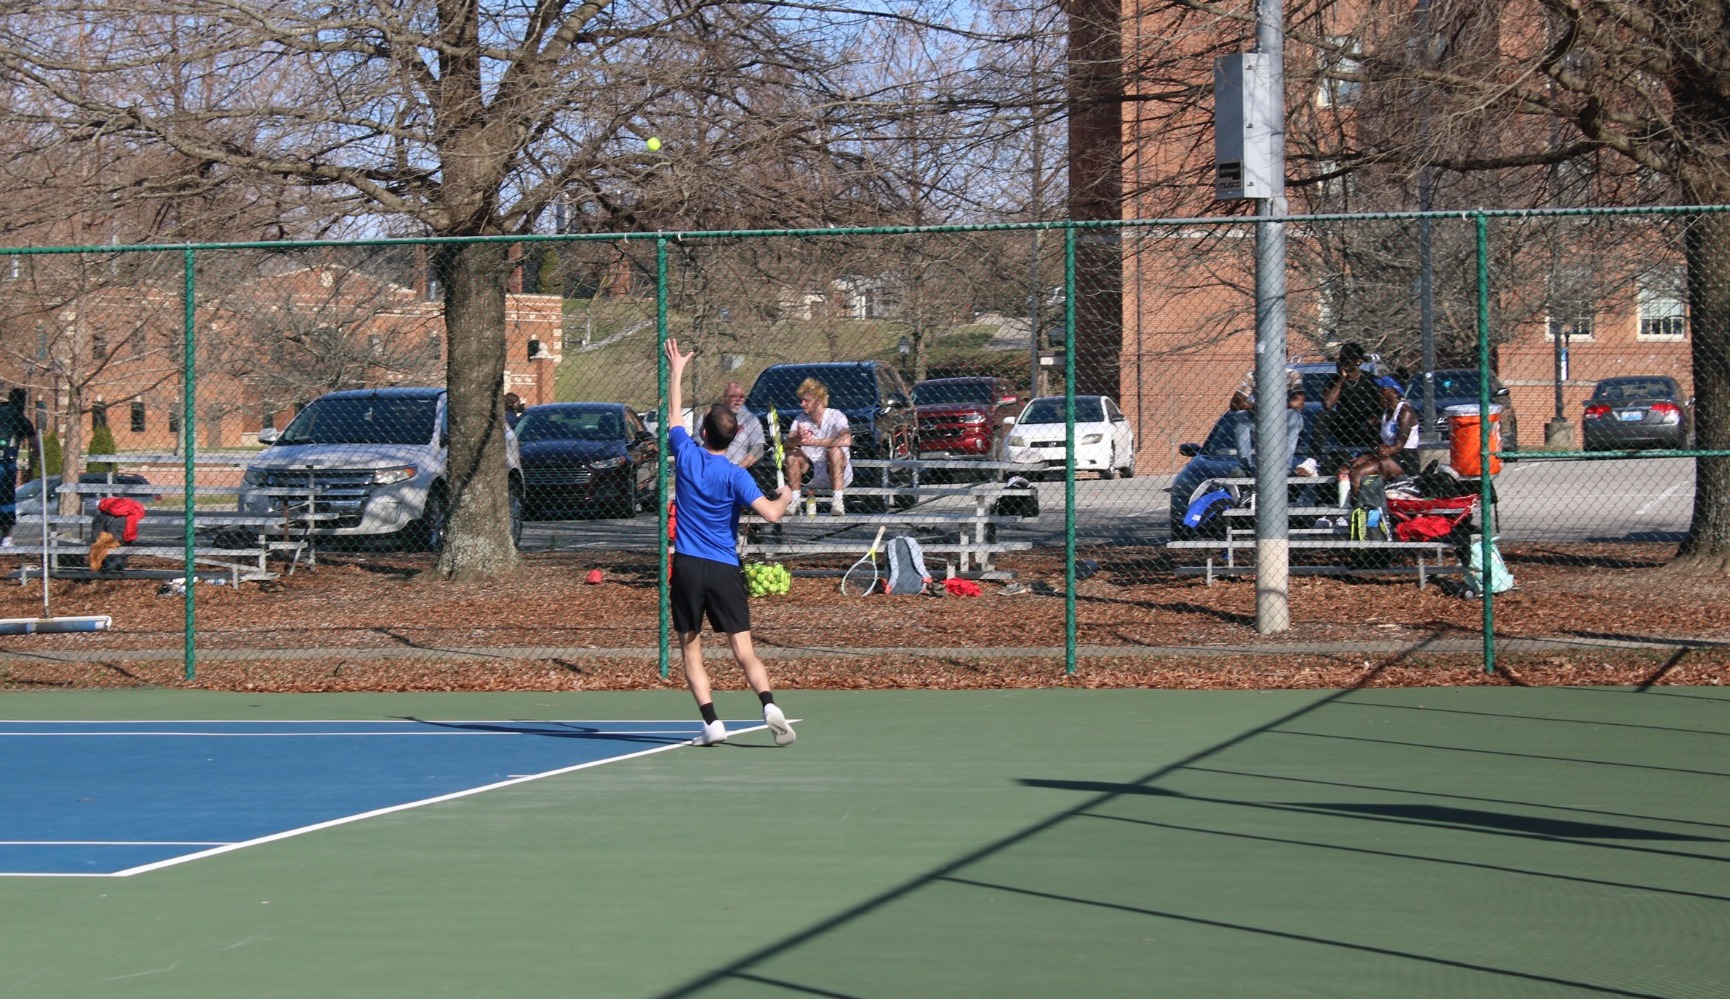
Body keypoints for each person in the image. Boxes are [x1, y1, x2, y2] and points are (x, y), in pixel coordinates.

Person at [663, 338, 797, 748]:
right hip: (724, 568)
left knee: (691, 649)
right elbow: (772, 514)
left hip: (687, 566)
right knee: (744, 650)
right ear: (734, 435)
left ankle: (711, 723)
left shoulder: (686, 454)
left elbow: (672, 415)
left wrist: (677, 369)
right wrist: (788, 492)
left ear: (703, 432)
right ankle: (769, 706)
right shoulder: (737, 475)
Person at [783, 377, 852, 515]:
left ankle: (838, 502)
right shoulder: (800, 419)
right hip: (810, 470)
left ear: (818, 400)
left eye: (806, 400)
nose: (802, 404)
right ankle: (795, 501)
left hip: (836, 469)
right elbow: (786, 443)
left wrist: (814, 441)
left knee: (834, 451)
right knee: (791, 454)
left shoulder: (835, 415)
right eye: (801, 400)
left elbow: (847, 439)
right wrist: (797, 439)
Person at [1346, 378, 1420, 498]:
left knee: (1357, 473)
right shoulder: (1384, 412)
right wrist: (1366, 456)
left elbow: (1398, 445)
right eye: (1378, 389)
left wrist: (1382, 450)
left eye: (1383, 389)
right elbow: (1378, 443)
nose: (1379, 393)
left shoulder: (1405, 411)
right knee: (1346, 469)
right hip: (1387, 455)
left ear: (1394, 392)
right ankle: (1349, 507)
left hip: (1405, 457)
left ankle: (1359, 511)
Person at [1319, 342, 1383, 453]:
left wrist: (1371, 421)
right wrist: (1341, 379)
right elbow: (1328, 404)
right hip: (1344, 425)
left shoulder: (1371, 380)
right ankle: (1313, 460)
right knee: (1323, 416)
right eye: (1341, 360)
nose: (1343, 364)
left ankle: (1376, 454)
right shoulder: (1334, 381)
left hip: (1367, 425)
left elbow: (1382, 407)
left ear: (1358, 362)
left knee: (1379, 421)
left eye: (1347, 361)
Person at [0, 387, 39, 545]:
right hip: (7, 464)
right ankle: (7, 536)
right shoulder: (22, 420)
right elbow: (36, 446)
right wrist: (31, 463)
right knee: (7, 499)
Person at [721, 381, 764, 469]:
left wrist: (739, 468)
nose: (739, 399)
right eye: (734, 396)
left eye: (742, 396)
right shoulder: (710, 417)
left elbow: (758, 449)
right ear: (724, 398)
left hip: (738, 466)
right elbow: (698, 444)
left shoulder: (751, 419)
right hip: (713, 466)